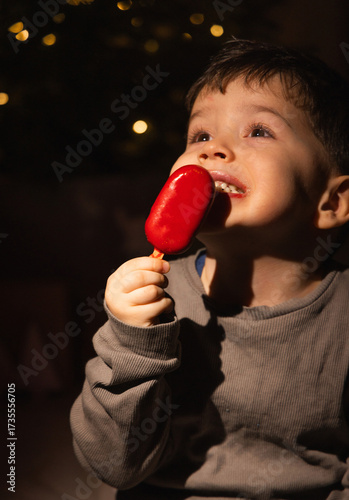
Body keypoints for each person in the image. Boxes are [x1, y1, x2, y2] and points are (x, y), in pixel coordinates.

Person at [70, 38, 349, 500]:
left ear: (333, 201)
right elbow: (113, 464)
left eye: (258, 130)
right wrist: (131, 344)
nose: (213, 149)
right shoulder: (154, 300)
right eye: (199, 136)